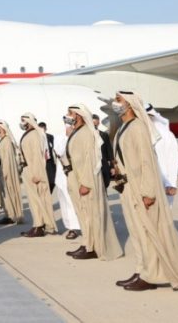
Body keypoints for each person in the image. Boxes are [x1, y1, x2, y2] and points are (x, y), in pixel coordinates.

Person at [111, 90, 178, 292]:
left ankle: (150, 276)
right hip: (127, 187)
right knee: (137, 233)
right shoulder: (124, 127)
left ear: (130, 103)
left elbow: (147, 162)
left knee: (146, 233)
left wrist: (148, 192)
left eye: (118, 100)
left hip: (140, 189)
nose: (115, 103)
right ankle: (141, 270)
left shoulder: (138, 127)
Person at [63, 104, 123, 261]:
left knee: (90, 215)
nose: (67, 115)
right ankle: (87, 243)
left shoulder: (87, 133)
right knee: (83, 214)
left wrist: (86, 183)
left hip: (85, 181)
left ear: (78, 115)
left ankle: (93, 248)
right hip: (76, 178)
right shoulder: (77, 132)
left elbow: (91, 160)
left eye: (70, 113)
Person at [18, 113, 58, 237]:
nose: (21, 123)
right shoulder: (29, 134)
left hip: (33, 171)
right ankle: (40, 224)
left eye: (23, 121)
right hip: (28, 169)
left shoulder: (34, 134)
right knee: (34, 201)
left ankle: (39, 226)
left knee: (37, 200)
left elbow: (37, 156)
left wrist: (37, 173)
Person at [145, 104, 178, 207]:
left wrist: (170, 183)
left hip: (162, 185)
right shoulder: (142, 133)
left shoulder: (166, 135)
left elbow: (172, 161)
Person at [53, 123, 81, 240]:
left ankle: (77, 227)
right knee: (65, 203)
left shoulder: (79, 136)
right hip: (61, 177)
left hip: (75, 175)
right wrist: (67, 137)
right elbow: (59, 152)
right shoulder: (60, 137)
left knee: (74, 203)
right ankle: (71, 227)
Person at [0, 120, 24, 225]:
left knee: (9, 193)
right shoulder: (2, 140)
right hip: (1, 169)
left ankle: (12, 216)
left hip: (6, 171)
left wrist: (5, 172)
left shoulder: (6, 141)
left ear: (3, 128)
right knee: (5, 195)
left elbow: (7, 159)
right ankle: (8, 215)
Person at [92, 114, 114, 188]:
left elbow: (109, 151)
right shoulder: (86, 136)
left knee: (105, 185)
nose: (94, 125)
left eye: (95, 123)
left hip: (104, 166)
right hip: (92, 166)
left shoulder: (104, 135)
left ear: (98, 122)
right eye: (92, 123)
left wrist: (112, 166)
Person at [40, 122, 57, 193]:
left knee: (53, 181)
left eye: (43, 129)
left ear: (45, 129)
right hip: (42, 162)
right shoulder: (37, 138)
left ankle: (49, 192)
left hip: (50, 162)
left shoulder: (50, 137)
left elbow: (54, 148)